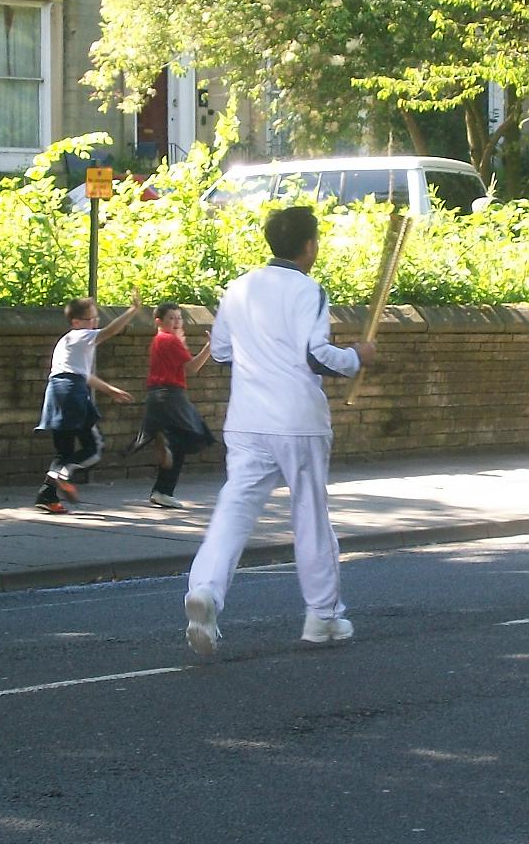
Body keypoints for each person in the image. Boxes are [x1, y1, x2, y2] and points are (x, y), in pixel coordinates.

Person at [184, 206, 376, 656]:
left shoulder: (237, 288)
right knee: (309, 514)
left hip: (248, 419)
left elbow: (224, 351)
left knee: (233, 509)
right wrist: (357, 357)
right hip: (299, 420)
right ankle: (323, 617)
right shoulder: (309, 290)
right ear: (309, 246)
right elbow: (317, 355)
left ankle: (206, 592)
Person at [34, 289, 141, 514]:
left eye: (96, 318)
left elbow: (83, 374)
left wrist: (110, 390)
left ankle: (47, 496)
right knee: (94, 446)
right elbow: (108, 332)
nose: (95, 322)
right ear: (76, 322)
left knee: (63, 451)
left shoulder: (67, 342)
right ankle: (64, 475)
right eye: (91, 319)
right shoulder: (80, 335)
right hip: (73, 393)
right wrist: (132, 311)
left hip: (56, 393)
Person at [125, 301, 214, 509]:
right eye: (171, 318)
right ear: (159, 321)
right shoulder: (169, 341)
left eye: (179, 318)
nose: (176, 322)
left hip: (158, 396)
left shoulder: (159, 340)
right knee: (198, 436)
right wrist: (210, 348)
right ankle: (163, 477)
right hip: (171, 395)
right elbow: (191, 368)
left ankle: (162, 490)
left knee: (179, 444)